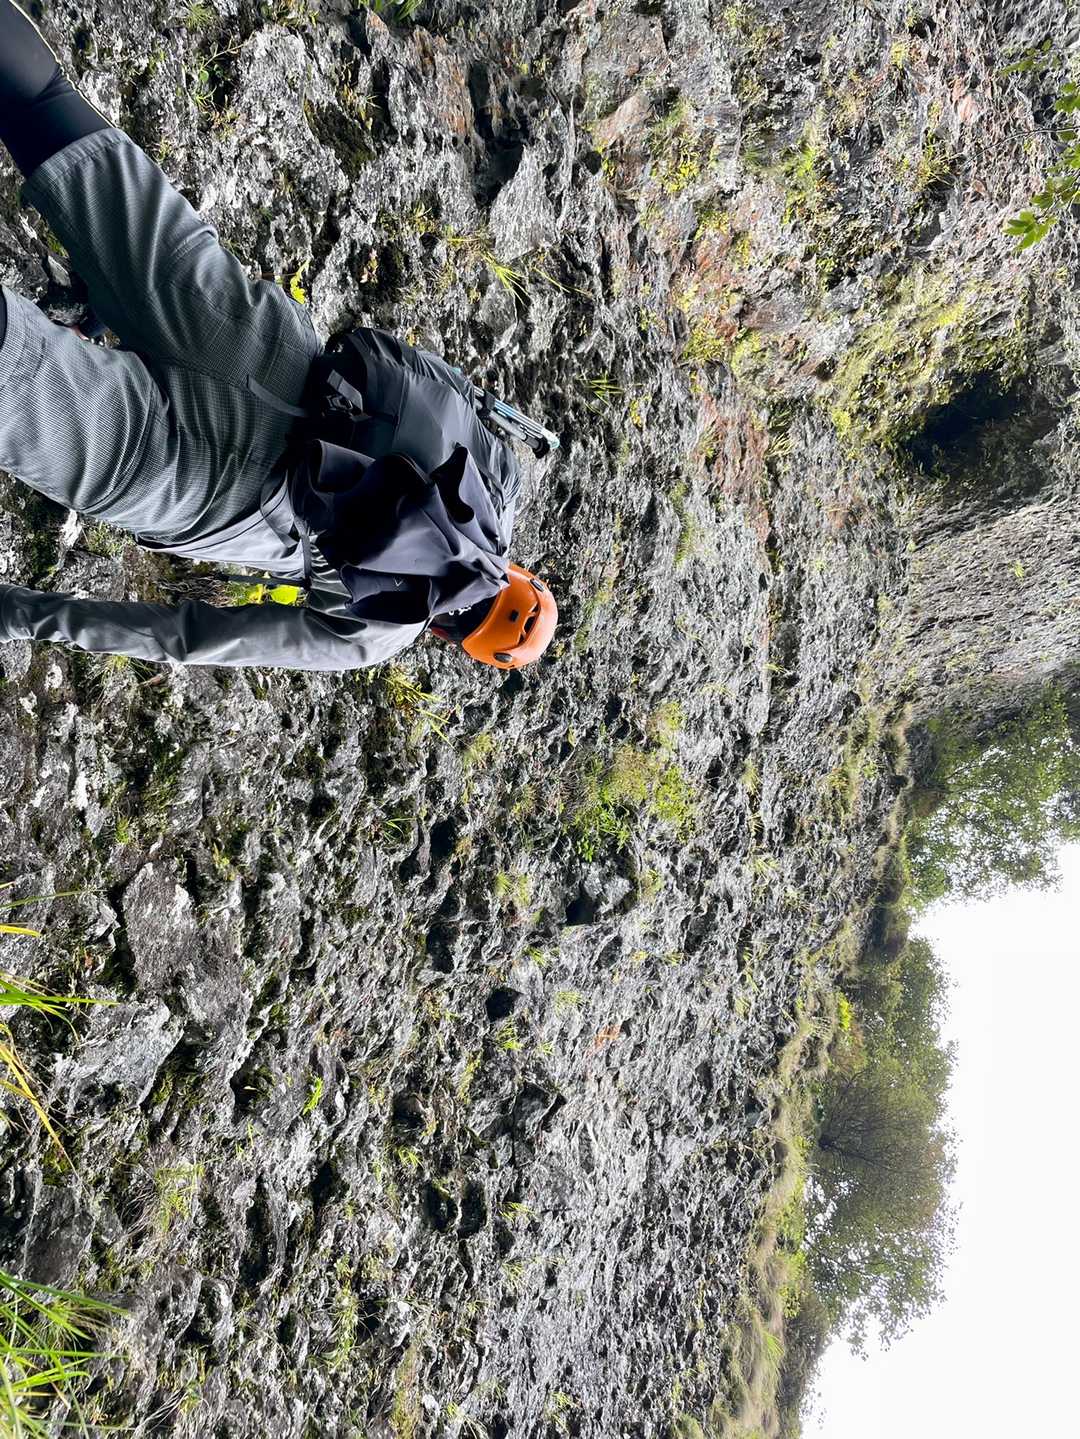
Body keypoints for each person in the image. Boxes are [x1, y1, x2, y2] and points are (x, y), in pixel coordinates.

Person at [0, 0, 557, 673]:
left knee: (49, 114)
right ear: (455, 637)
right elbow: (189, 636)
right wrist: (18, 614)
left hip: (259, 341)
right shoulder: (378, 629)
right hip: (196, 480)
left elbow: (401, 363)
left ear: (518, 573)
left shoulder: (496, 478)